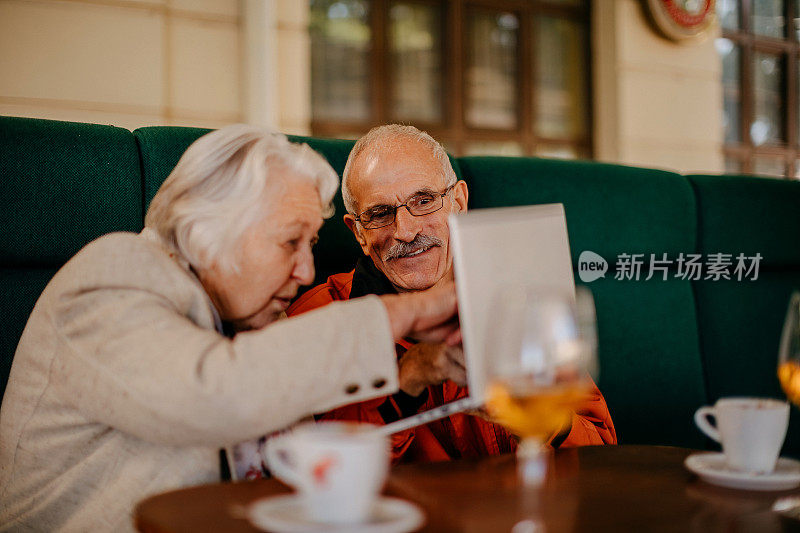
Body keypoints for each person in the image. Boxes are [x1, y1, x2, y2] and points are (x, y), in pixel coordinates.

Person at [0, 125, 460, 531]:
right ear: (212, 232)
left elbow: (303, 469)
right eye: (289, 243)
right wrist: (409, 312)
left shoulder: (258, 321)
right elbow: (212, 393)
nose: (305, 270)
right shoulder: (114, 273)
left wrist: (410, 380)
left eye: (311, 244)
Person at [288, 124, 617, 464]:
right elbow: (323, 470)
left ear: (459, 201)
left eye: (424, 200)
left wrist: (538, 419)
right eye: (380, 214)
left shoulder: (522, 301)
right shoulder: (317, 319)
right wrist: (406, 378)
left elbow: (602, 454)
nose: (406, 230)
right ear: (358, 232)